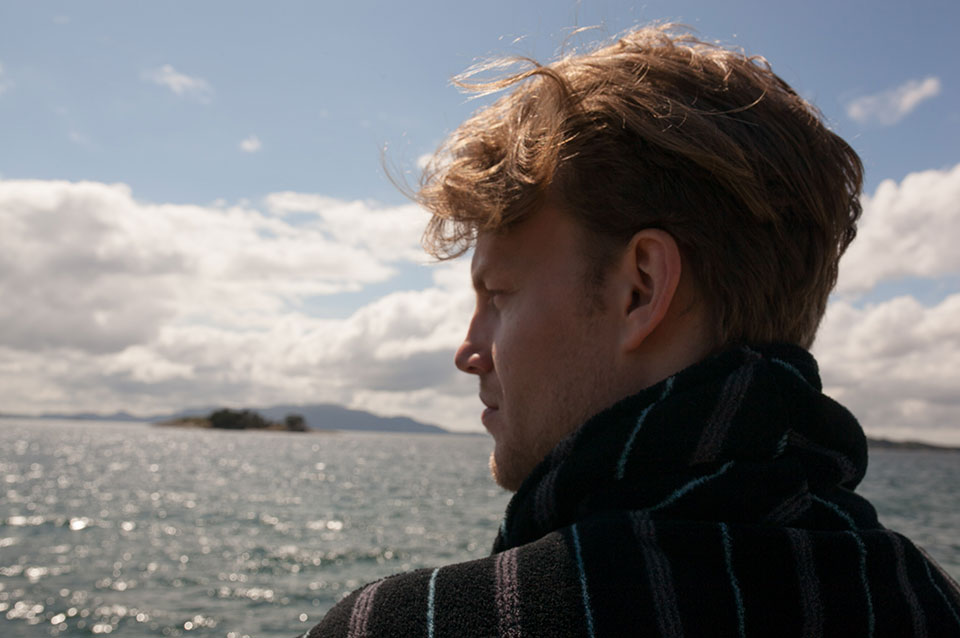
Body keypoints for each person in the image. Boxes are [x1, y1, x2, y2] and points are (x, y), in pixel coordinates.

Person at [303, 25, 960, 636]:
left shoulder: (411, 624)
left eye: (498, 295)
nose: (469, 352)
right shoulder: (930, 602)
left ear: (641, 288)